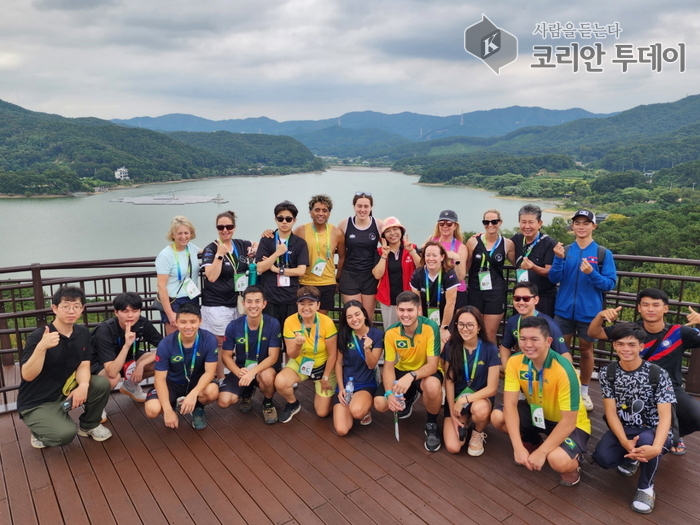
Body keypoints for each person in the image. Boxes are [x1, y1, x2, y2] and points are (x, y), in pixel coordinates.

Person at [588, 287, 700, 455]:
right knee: (618, 416)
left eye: (656, 305)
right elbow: (593, 332)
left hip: (670, 388)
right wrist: (600, 316)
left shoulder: (678, 333)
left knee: (697, 415)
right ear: (639, 308)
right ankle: (632, 444)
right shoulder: (630, 331)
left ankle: (673, 434)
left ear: (665, 308)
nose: (650, 309)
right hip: (632, 388)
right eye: (645, 305)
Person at [491, 316, 591, 486]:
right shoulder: (515, 362)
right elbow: (510, 405)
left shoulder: (565, 370)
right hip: (537, 414)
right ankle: (533, 440)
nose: (527, 345)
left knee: (557, 460)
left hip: (568, 422)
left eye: (534, 339)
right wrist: (518, 447)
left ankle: (573, 462)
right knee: (497, 417)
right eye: (523, 339)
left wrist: (542, 453)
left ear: (548, 341)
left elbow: (569, 421)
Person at [592, 323, 675, 514]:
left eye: (631, 344)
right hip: (626, 428)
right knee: (603, 458)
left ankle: (646, 487)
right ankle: (632, 456)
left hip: (652, 429)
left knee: (648, 443)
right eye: (620, 344)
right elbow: (611, 412)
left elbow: (665, 416)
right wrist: (624, 442)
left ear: (641, 346)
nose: (625, 349)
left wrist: (655, 448)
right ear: (614, 345)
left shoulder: (657, 373)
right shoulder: (608, 372)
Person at [18, 286, 111, 448]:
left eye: (76, 306)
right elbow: (27, 375)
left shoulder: (82, 333)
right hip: (38, 400)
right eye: (66, 306)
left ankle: (89, 425)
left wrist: (83, 385)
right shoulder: (39, 337)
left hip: (64, 392)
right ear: (55, 308)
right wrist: (41, 348)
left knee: (101, 383)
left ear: (82, 309)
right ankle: (39, 430)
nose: (71, 311)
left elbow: (84, 363)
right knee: (65, 435)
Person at [549, 209, 617, 411]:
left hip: (589, 314)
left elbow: (609, 284)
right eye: (577, 222)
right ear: (573, 226)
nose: (581, 226)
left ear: (593, 226)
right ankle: (561, 388)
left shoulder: (603, 253)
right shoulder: (565, 250)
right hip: (563, 311)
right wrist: (558, 259)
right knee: (560, 352)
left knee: (587, 351)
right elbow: (554, 279)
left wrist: (592, 273)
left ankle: (584, 391)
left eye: (586, 223)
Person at [374, 291, 443, 452]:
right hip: (403, 371)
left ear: (419, 311)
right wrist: (389, 393)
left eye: (410, 310)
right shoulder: (391, 332)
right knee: (380, 404)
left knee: (432, 386)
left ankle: (431, 424)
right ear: (397, 310)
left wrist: (411, 376)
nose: (405, 315)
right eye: (402, 310)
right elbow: (389, 367)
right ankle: (410, 396)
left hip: (424, 372)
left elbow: (433, 365)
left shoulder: (430, 327)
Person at [144, 303, 219, 430]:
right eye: (183, 322)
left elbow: (210, 372)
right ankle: (171, 406)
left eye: (193, 322)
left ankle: (197, 408)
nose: (188, 326)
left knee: (212, 391)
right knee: (152, 410)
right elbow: (159, 379)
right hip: (172, 384)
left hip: (196, 383)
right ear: (176, 322)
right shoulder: (166, 344)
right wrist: (167, 410)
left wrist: (193, 394)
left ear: (200, 321)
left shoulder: (209, 339)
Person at [274, 286, 338, 423]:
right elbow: (291, 354)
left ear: (318, 305)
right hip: (300, 362)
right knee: (280, 382)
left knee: (322, 412)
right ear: (297, 304)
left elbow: (333, 354)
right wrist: (297, 344)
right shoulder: (290, 321)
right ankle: (293, 403)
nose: (306, 307)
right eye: (302, 304)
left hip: (323, 366)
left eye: (311, 304)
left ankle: (330, 389)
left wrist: (326, 376)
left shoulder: (327, 322)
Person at [218, 286, 281, 424]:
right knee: (224, 401)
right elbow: (226, 356)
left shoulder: (273, 323)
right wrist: (238, 372)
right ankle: (246, 394)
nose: (253, 305)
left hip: (263, 369)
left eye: (257, 301)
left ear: (264, 304)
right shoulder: (233, 326)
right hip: (242, 369)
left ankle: (268, 403)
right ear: (243, 303)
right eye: (249, 301)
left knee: (268, 376)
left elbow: (273, 357)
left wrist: (252, 372)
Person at [442, 306, 500, 456]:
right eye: (460, 324)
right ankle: (464, 419)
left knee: (480, 411)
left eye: (470, 325)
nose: (465, 329)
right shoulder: (451, 346)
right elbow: (449, 381)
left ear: (479, 326)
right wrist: (452, 411)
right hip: (456, 401)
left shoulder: (490, 349)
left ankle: (478, 431)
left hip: (479, 398)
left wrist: (465, 399)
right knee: (454, 447)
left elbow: (492, 388)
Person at [255, 201, 309, 354]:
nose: (284, 222)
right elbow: (260, 267)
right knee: (272, 339)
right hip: (270, 298)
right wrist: (277, 254)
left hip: (291, 299)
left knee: (292, 339)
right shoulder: (267, 240)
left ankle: (289, 372)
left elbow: (301, 271)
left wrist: (276, 269)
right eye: (280, 218)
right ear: (275, 219)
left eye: (288, 219)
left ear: (294, 221)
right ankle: (273, 370)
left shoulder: (299, 243)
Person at [91, 292, 162, 403]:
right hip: (101, 364)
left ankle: (130, 386)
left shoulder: (142, 323)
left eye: (135, 311)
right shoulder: (105, 330)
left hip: (128, 359)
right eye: (125, 311)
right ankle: (96, 405)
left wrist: (141, 365)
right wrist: (127, 345)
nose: (130, 315)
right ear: (116, 312)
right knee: (113, 378)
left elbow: (165, 347)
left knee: (160, 362)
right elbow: (112, 371)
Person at [201, 210, 256, 347]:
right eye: (221, 227)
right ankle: (219, 370)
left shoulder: (240, 244)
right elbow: (211, 277)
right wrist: (219, 255)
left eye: (229, 227)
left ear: (234, 228)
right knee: (219, 343)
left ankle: (236, 369)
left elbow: (256, 243)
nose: (225, 230)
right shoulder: (211, 249)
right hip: (217, 305)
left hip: (237, 303)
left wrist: (254, 248)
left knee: (238, 341)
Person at [333, 301, 384, 435]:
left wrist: (367, 349)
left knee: (357, 411)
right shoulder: (343, 335)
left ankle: (364, 408)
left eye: (357, 314)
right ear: (346, 320)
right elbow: (338, 363)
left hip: (365, 384)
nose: (354, 319)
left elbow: (371, 365)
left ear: (364, 315)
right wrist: (341, 388)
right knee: (341, 430)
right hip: (346, 385)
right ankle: (352, 404)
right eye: (349, 317)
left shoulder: (377, 335)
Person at [465, 209, 516, 343]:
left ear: (500, 222)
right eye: (486, 222)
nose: (490, 225)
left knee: (489, 333)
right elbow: (466, 266)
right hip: (476, 291)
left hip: (496, 293)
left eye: (494, 221)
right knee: (474, 331)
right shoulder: (473, 242)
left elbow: (518, 264)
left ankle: (490, 363)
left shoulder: (507, 244)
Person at [499, 282, 571, 371]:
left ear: (536, 300)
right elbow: (505, 347)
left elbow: (564, 354)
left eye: (526, 299)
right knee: (495, 369)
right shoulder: (513, 320)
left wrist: (569, 376)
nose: (521, 302)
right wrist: (507, 368)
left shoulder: (549, 324)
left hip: (546, 369)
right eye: (517, 298)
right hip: (524, 365)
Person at [294, 195, 345, 315]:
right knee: (305, 316)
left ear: (329, 213)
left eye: (325, 210)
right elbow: (286, 244)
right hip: (305, 282)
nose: (320, 213)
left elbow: (342, 256)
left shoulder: (337, 233)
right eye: (317, 210)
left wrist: (337, 278)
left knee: (321, 319)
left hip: (327, 283)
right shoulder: (300, 231)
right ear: (310, 212)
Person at [338, 192, 384, 317]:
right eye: (359, 206)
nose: (362, 210)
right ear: (354, 206)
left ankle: (368, 337)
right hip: (350, 275)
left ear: (371, 208)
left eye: (366, 206)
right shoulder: (345, 224)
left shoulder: (378, 224)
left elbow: (390, 244)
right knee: (353, 315)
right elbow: (333, 245)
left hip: (370, 276)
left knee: (367, 317)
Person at [373, 216, 420, 331]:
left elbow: (422, 268)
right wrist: (384, 255)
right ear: (383, 236)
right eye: (388, 231)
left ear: (401, 231)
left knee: (411, 331)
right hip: (389, 300)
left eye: (395, 229)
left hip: (410, 299)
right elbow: (377, 274)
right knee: (391, 332)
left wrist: (412, 252)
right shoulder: (380, 252)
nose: (392, 233)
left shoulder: (412, 248)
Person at [156, 216, 201, 335]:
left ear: (191, 234)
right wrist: (170, 314)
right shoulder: (165, 255)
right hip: (174, 301)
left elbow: (209, 252)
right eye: (179, 233)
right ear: (173, 235)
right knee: (175, 341)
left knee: (192, 338)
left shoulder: (191, 248)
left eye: (186, 233)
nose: (183, 236)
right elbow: (161, 286)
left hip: (192, 298)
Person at [511, 204, 558, 318]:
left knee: (541, 333)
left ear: (539, 223)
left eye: (531, 222)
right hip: (521, 299)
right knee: (519, 331)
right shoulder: (516, 240)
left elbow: (550, 273)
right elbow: (498, 244)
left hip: (543, 298)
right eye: (523, 222)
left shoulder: (549, 243)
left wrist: (533, 267)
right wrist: (482, 237)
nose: (527, 226)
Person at [410, 241, 459, 342]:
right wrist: (421, 325)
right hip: (424, 318)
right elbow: (416, 303)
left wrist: (444, 328)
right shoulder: (417, 274)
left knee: (443, 346)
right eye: (428, 255)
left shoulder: (449, 274)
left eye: (434, 255)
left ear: (442, 257)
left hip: (445, 319)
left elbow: (451, 303)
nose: (431, 259)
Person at [427, 210, 469, 309]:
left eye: (449, 224)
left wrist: (456, 258)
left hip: (456, 290)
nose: (445, 226)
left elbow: (461, 276)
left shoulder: (461, 247)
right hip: (435, 289)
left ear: (455, 226)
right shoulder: (431, 240)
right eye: (441, 223)